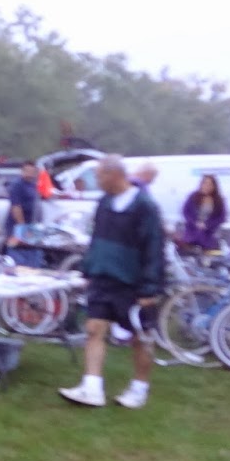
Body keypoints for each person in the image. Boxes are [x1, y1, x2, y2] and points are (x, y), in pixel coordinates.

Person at [60, 155, 166, 409]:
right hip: (103, 278)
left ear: (114, 175)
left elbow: (154, 247)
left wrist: (150, 288)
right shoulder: (104, 203)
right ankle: (92, 387)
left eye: (99, 176)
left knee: (140, 337)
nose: (97, 181)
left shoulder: (145, 206)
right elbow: (97, 238)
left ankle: (139, 389)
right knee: (94, 329)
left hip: (132, 283)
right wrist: (89, 268)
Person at [5, 160, 43, 267]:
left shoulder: (34, 185)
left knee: (33, 256)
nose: (30, 173)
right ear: (22, 171)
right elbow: (16, 207)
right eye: (27, 170)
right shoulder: (17, 185)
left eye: (32, 171)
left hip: (33, 227)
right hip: (19, 226)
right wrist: (21, 227)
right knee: (17, 256)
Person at [179, 175, 226, 252]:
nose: (206, 186)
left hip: (209, 234)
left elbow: (222, 217)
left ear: (214, 186)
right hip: (192, 233)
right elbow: (185, 212)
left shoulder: (219, 200)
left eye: (209, 184)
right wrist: (195, 223)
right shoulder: (193, 197)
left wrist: (207, 225)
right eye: (204, 183)